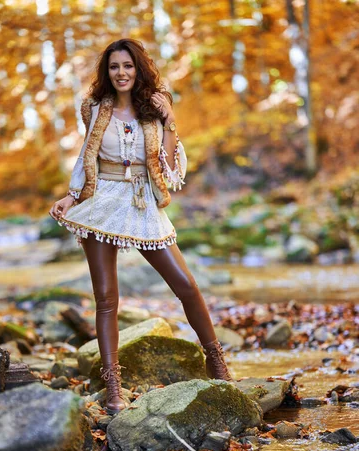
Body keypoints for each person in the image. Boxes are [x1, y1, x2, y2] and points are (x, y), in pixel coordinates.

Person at [49, 38, 233, 414]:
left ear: (139, 69)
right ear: (107, 72)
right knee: (106, 298)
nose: (122, 73)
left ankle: (216, 361)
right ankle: (114, 386)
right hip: (103, 202)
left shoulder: (155, 107)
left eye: (128, 66)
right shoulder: (95, 109)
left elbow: (169, 169)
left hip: (142, 202)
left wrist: (169, 122)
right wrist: (72, 195)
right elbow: (88, 157)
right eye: (115, 67)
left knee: (187, 285)